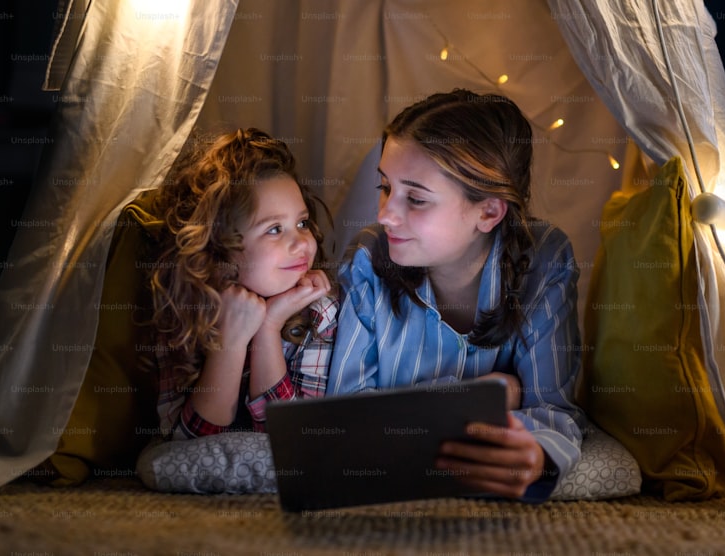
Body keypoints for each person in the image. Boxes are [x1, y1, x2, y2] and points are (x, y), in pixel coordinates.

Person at [328, 90, 585, 501]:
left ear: (488, 212)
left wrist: (535, 453)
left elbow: (553, 409)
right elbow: (344, 418)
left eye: (415, 198)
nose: (385, 215)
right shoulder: (368, 260)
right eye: (385, 187)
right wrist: (488, 395)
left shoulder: (545, 260)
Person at [149, 128, 336, 441]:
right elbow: (187, 443)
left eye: (302, 223)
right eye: (274, 229)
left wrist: (268, 327)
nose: (301, 242)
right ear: (218, 246)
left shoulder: (320, 312)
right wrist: (231, 342)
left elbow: (289, 437)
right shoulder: (184, 312)